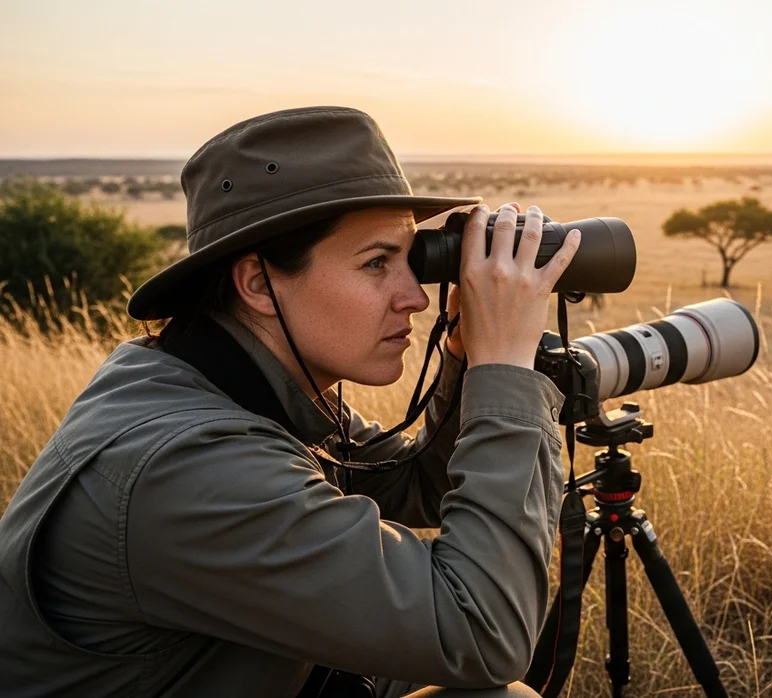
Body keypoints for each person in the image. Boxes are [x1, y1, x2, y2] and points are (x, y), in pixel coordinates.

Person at [0, 106, 580, 697]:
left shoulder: (228, 382)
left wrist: (463, 355)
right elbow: (482, 637)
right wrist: (504, 367)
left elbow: (417, 486)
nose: (414, 297)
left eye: (413, 260)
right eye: (377, 263)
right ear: (256, 283)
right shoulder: (189, 466)